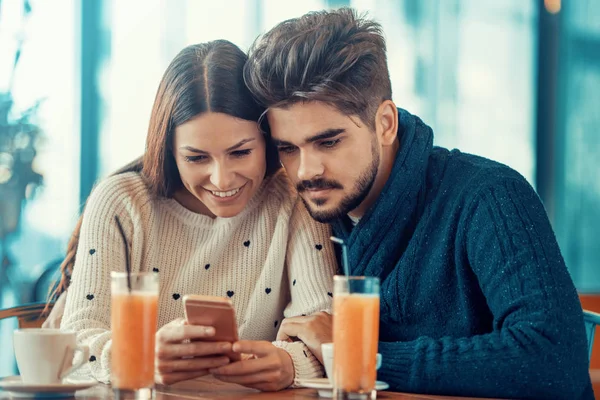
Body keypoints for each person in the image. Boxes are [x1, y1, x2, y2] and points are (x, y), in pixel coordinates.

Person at [242, 8, 594, 400]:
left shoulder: (488, 196)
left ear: (386, 123)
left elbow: (553, 358)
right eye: (288, 148)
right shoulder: (311, 216)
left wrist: (358, 355)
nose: (306, 171)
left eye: (329, 142)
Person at [54, 40, 337, 392]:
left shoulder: (292, 200)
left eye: (240, 152)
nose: (222, 179)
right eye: (196, 158)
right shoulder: (122, 202)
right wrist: (139, 358)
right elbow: (74, 344)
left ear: (266, 139)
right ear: (169, 150)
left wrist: (289, 365)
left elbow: (325, 332)